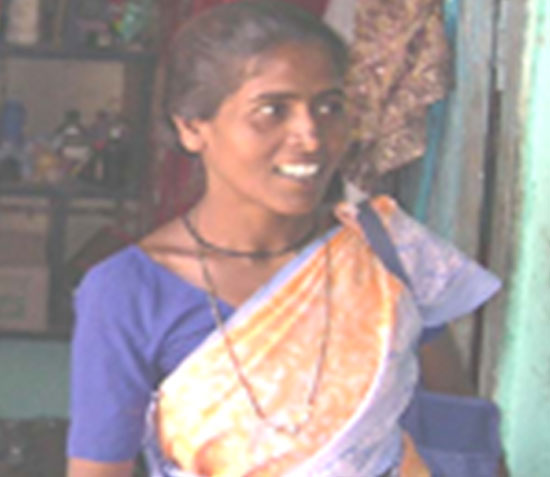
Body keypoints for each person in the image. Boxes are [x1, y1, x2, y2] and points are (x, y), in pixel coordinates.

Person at [66, 1, 502, 476]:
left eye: (329, 107)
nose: (311, 136)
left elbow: (466, 441)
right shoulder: (128, 291)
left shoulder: (385, 250)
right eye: (272, 111)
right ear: (191, 128)